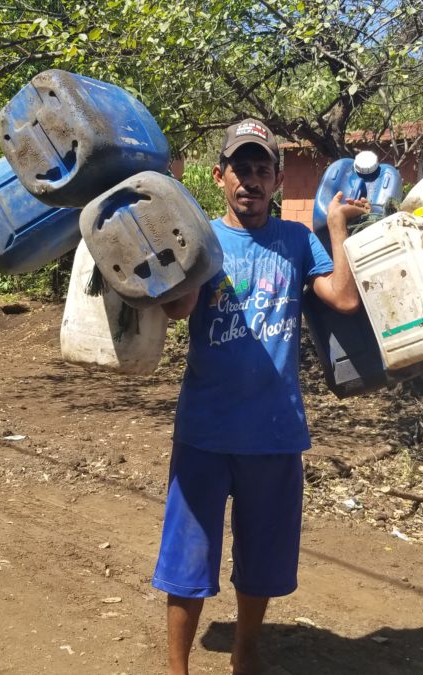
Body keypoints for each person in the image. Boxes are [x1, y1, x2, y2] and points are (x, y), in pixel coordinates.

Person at [154, 118, 369, 675]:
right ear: (218, 176)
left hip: (275, 432)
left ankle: (245, 654)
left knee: (262, 562)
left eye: (261, 170)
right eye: (240, 169)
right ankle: (176, 669)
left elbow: (344, 300)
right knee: (188, 560)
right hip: (205, 430)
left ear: (278, 179)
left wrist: (337, 227)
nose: (250, 180)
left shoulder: (297, 241)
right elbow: (176, 310)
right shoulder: (199, 235)